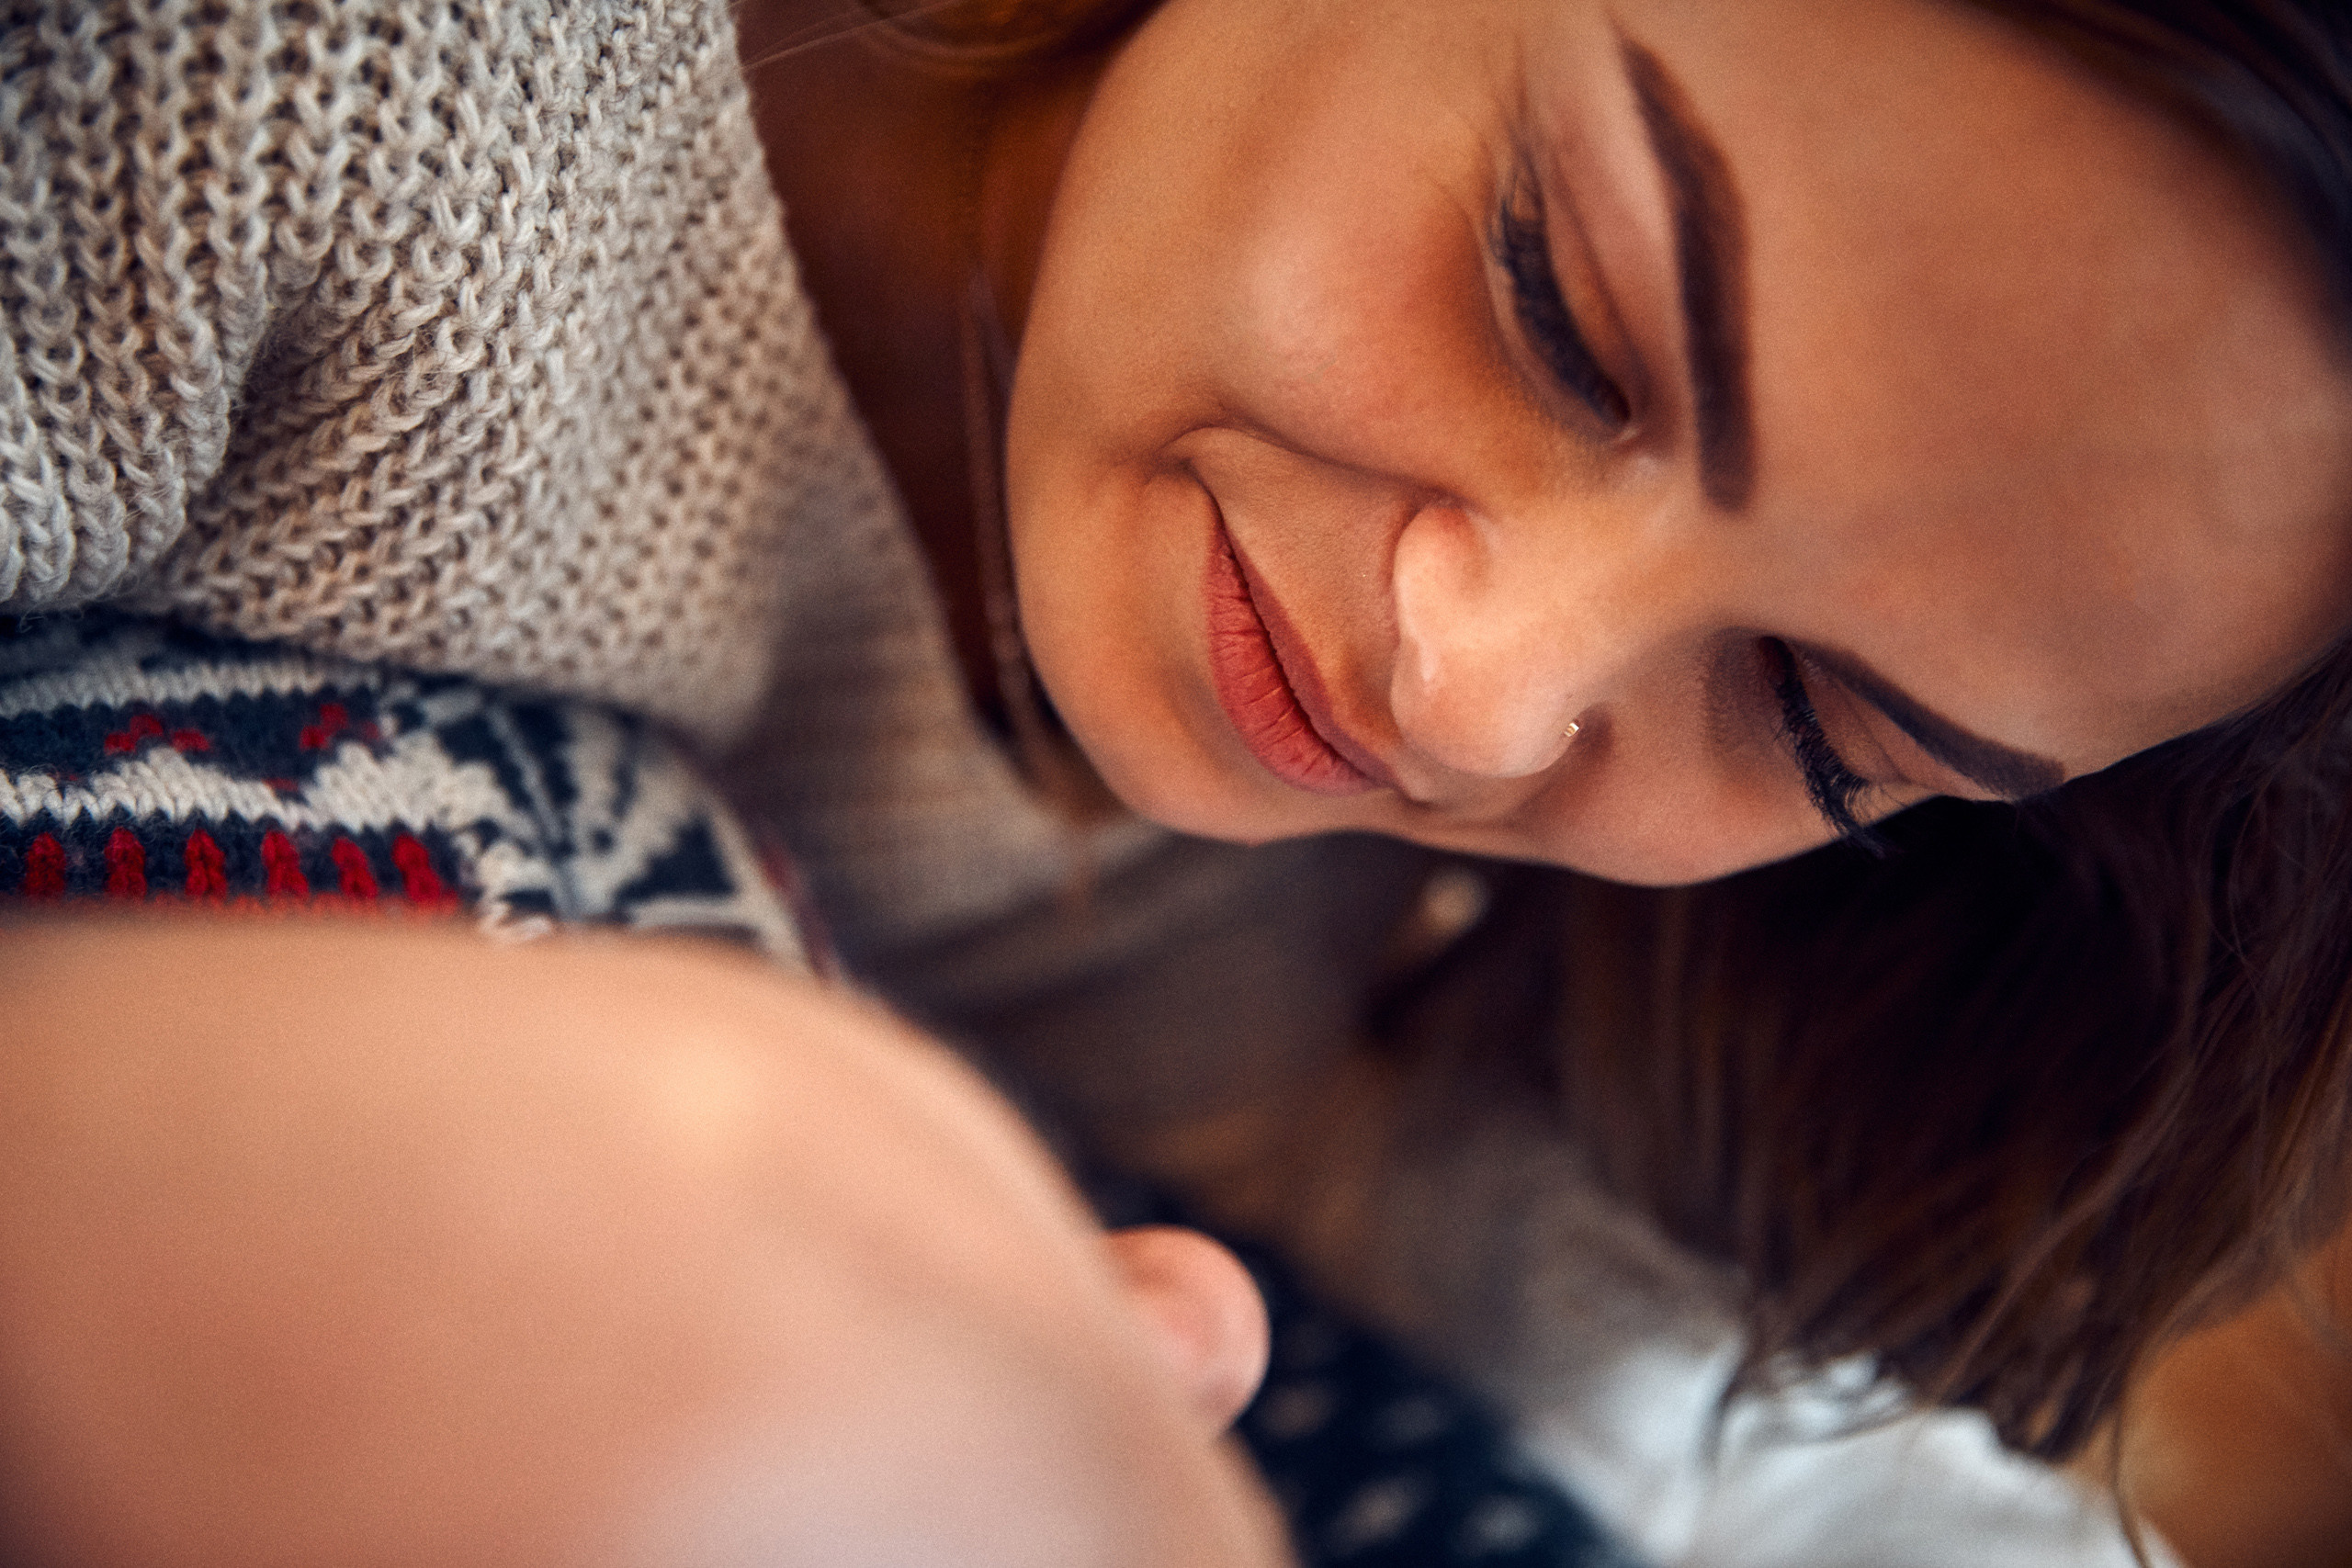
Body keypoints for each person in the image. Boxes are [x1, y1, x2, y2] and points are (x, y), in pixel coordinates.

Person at [5, 0, 2352, 1560]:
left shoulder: (1423, 941)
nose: (1472, 692)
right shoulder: (283, 97)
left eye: (1824, 728)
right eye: (1551, 295)